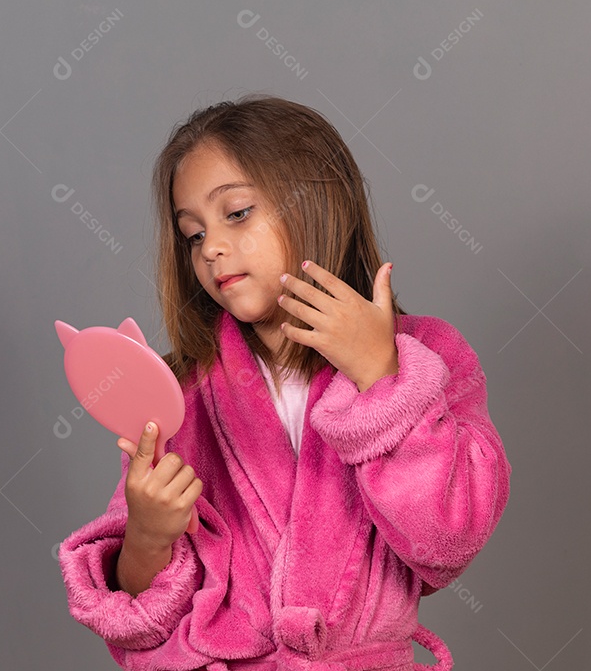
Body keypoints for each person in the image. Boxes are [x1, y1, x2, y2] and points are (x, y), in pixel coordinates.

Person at [57, 93, 512, 670]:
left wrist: (380, 378)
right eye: (193, 234)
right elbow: (140, 624)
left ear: (321, 205)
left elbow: (450, 538)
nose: (212, 247)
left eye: (237, 212)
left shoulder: (426, 358)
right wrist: (147, 535)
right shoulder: (181, 393)